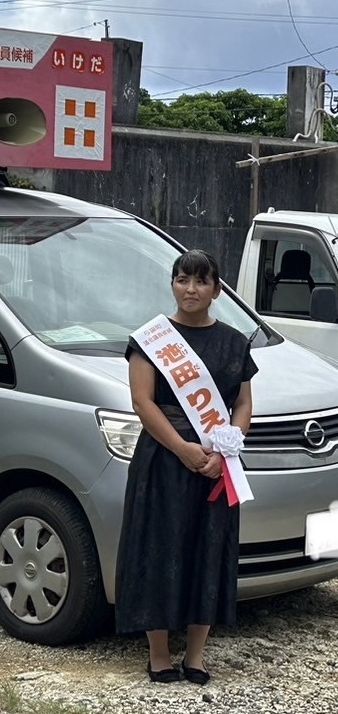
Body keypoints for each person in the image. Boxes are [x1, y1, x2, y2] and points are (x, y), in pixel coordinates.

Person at [115, 249, 256, 685]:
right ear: (173, 284)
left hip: (216, 463)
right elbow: (142, 402)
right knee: (159, 548)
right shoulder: (152, 340)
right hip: (163, 458)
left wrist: (227, 447)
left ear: (216, 289)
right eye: (182, 279)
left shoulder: (235, 343)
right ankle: (159, 655)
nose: (190, 289)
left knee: (207, 549)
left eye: (200, 281)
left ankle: (195, 655)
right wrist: (183, 449)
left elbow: (244, 403)